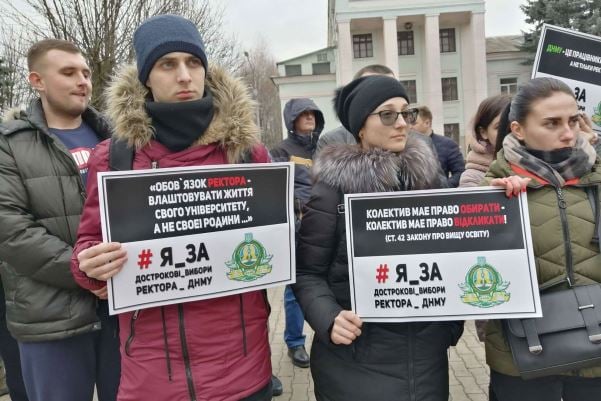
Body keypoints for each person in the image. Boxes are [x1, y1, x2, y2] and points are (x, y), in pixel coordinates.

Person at [71, 14, 272, 401]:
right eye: (168, 64)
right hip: (150, 376)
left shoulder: (245, 154)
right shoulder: (115, 158)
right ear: (146, 76)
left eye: (193, 62)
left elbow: (274, 246)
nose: (184, 76)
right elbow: (87, 246)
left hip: (242, 371)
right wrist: (90, 268)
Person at [293, 75, 464, 401]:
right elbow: (306, 273)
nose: (402, 123)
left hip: (426, 364)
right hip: (354, 362)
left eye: (406, 113)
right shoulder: (331, 189)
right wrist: (328, 319)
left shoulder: (431, 182)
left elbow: (455, 255)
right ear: (360, 126)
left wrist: (450, 326)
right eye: (388, 114)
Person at [0, 39, 120, 401]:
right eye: (68, 73)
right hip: (50, 320)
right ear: (37, 80)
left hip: (121, 311)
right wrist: (81, 271)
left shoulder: (120, 138)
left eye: (85, 72)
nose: (83, 80)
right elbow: (10, 228)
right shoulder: (10, 144)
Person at [484, 77, 601, 401]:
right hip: (523, 359)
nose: (567, 132)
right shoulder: (490, 190)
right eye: (551, 123)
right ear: (518, 129)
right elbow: (478, 282)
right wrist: (492, 213)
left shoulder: (598, 175)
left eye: (573, 120)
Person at [270, 98, 325, 368]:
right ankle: (295, 342)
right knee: (295, 288)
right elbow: (277, 188)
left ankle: (326, 336)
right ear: (292, 119)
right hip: (298, 226)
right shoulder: (281, 149)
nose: (309, 117)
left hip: (324, 226)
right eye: (303, 113)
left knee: (325, 282)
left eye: (312, 113)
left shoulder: (324, 149)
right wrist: (297, 209)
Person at [315, 64, 395, 153]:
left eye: (390, 87)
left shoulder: (409, 138)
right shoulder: (332, 142)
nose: (384, 95)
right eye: (372, 88)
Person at [459, 94, 512, 189]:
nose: (509, 132)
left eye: (514, 125)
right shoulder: (472, 177)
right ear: (483, 132)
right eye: (500, 127)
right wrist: (490, 190)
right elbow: (467, 203)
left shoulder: (538, 165)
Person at [412, 106, 465, 187]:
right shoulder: (406, 146)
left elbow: (460, 172)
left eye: (414, 123)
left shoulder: (448, 144)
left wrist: (443, 188)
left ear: (427, 123)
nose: (410, 127)